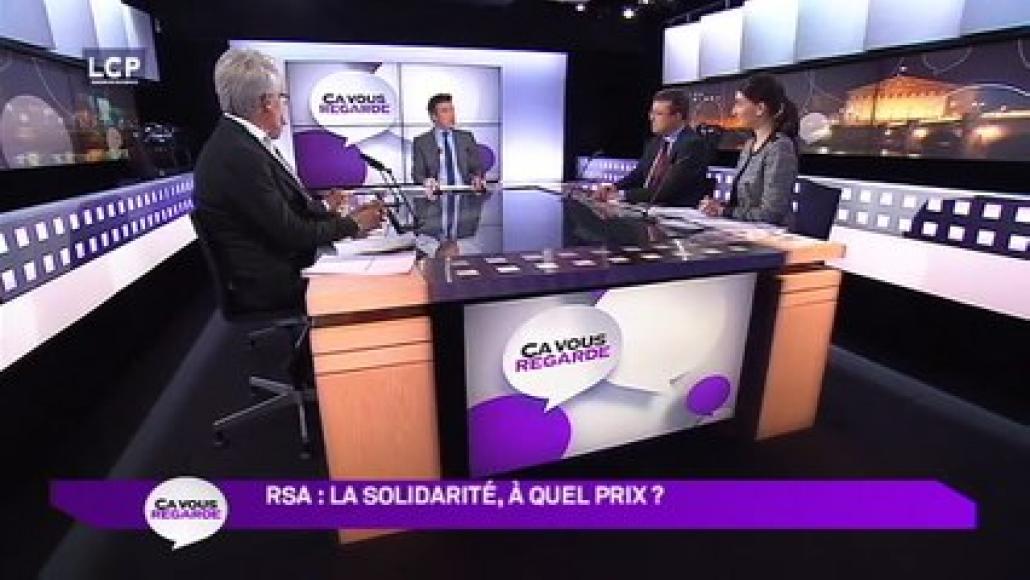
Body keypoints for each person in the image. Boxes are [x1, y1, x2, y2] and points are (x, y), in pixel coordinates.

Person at [192, 48, 384, 313]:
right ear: (267, 102)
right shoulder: (237, 154)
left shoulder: (241, 142)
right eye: (282, 98)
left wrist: (334, 213)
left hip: (280, 266)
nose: (285, 108)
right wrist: (353, 224)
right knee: (378, 287)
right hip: (274, 283)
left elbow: (285, 213)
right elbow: (292, 233)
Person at [699, 74, 799, 225]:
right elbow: (744, 205)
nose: (733, 111)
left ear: (760, 109)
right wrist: (718, 206)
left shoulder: (780, 147)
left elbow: (771, 214)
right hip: (745, 229)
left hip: (770, 234)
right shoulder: (749, 145)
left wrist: (724, 211)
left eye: (739, 104)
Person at [597, 89, 709, 207]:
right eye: (651, 113)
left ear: (677, 116)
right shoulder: (655, 142)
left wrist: (622, 195)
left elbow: (666, 190)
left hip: (672, 211)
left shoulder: (692, 145)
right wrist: (614, 187)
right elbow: (639, 174)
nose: (651, 118)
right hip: (646, 207)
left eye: (658, 114)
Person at [411, 93, 487, 196]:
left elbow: (477, 168)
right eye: (445, 111)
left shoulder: (466, 138)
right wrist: (426, 181)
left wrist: (477, 178)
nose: (451, 115)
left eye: (452, 110)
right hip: (437, 196)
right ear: (434, 116)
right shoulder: (421, 142)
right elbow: (417, 175)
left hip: (466, 194)